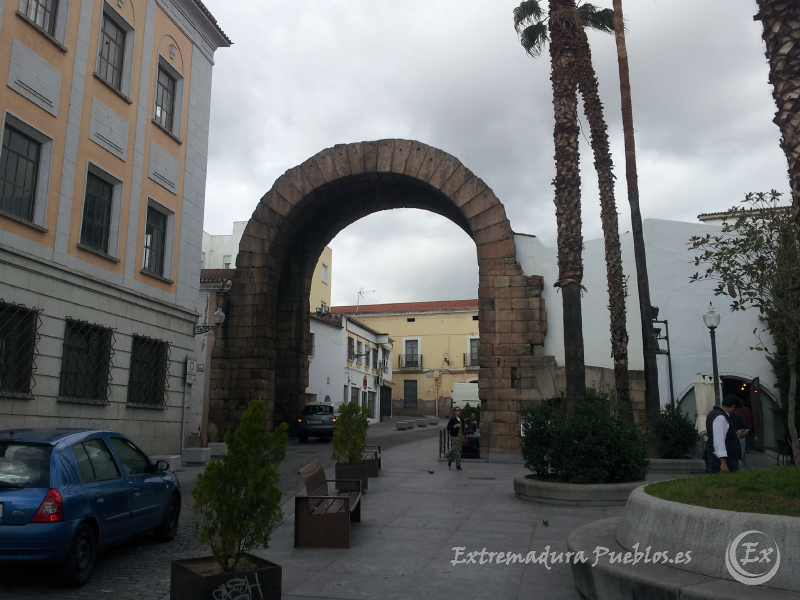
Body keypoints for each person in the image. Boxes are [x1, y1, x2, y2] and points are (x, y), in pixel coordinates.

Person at [706, 395, 746, 473]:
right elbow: (719, 440)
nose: (737, 412)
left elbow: (721, 435)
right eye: (737, 410)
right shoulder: (721, 418)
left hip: (718, 458)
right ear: (733, 407)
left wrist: (735, 434)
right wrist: (723, 463)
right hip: (726, 460)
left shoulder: (713, 414)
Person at [731, 403, 758, 470]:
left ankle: (748, 468)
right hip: (741, 436)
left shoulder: (728, 417)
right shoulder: (740, 416)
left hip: (732, 436)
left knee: (741, 454)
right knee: (741, 453)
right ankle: (738, 469)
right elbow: (746, 426)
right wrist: (753, 435)